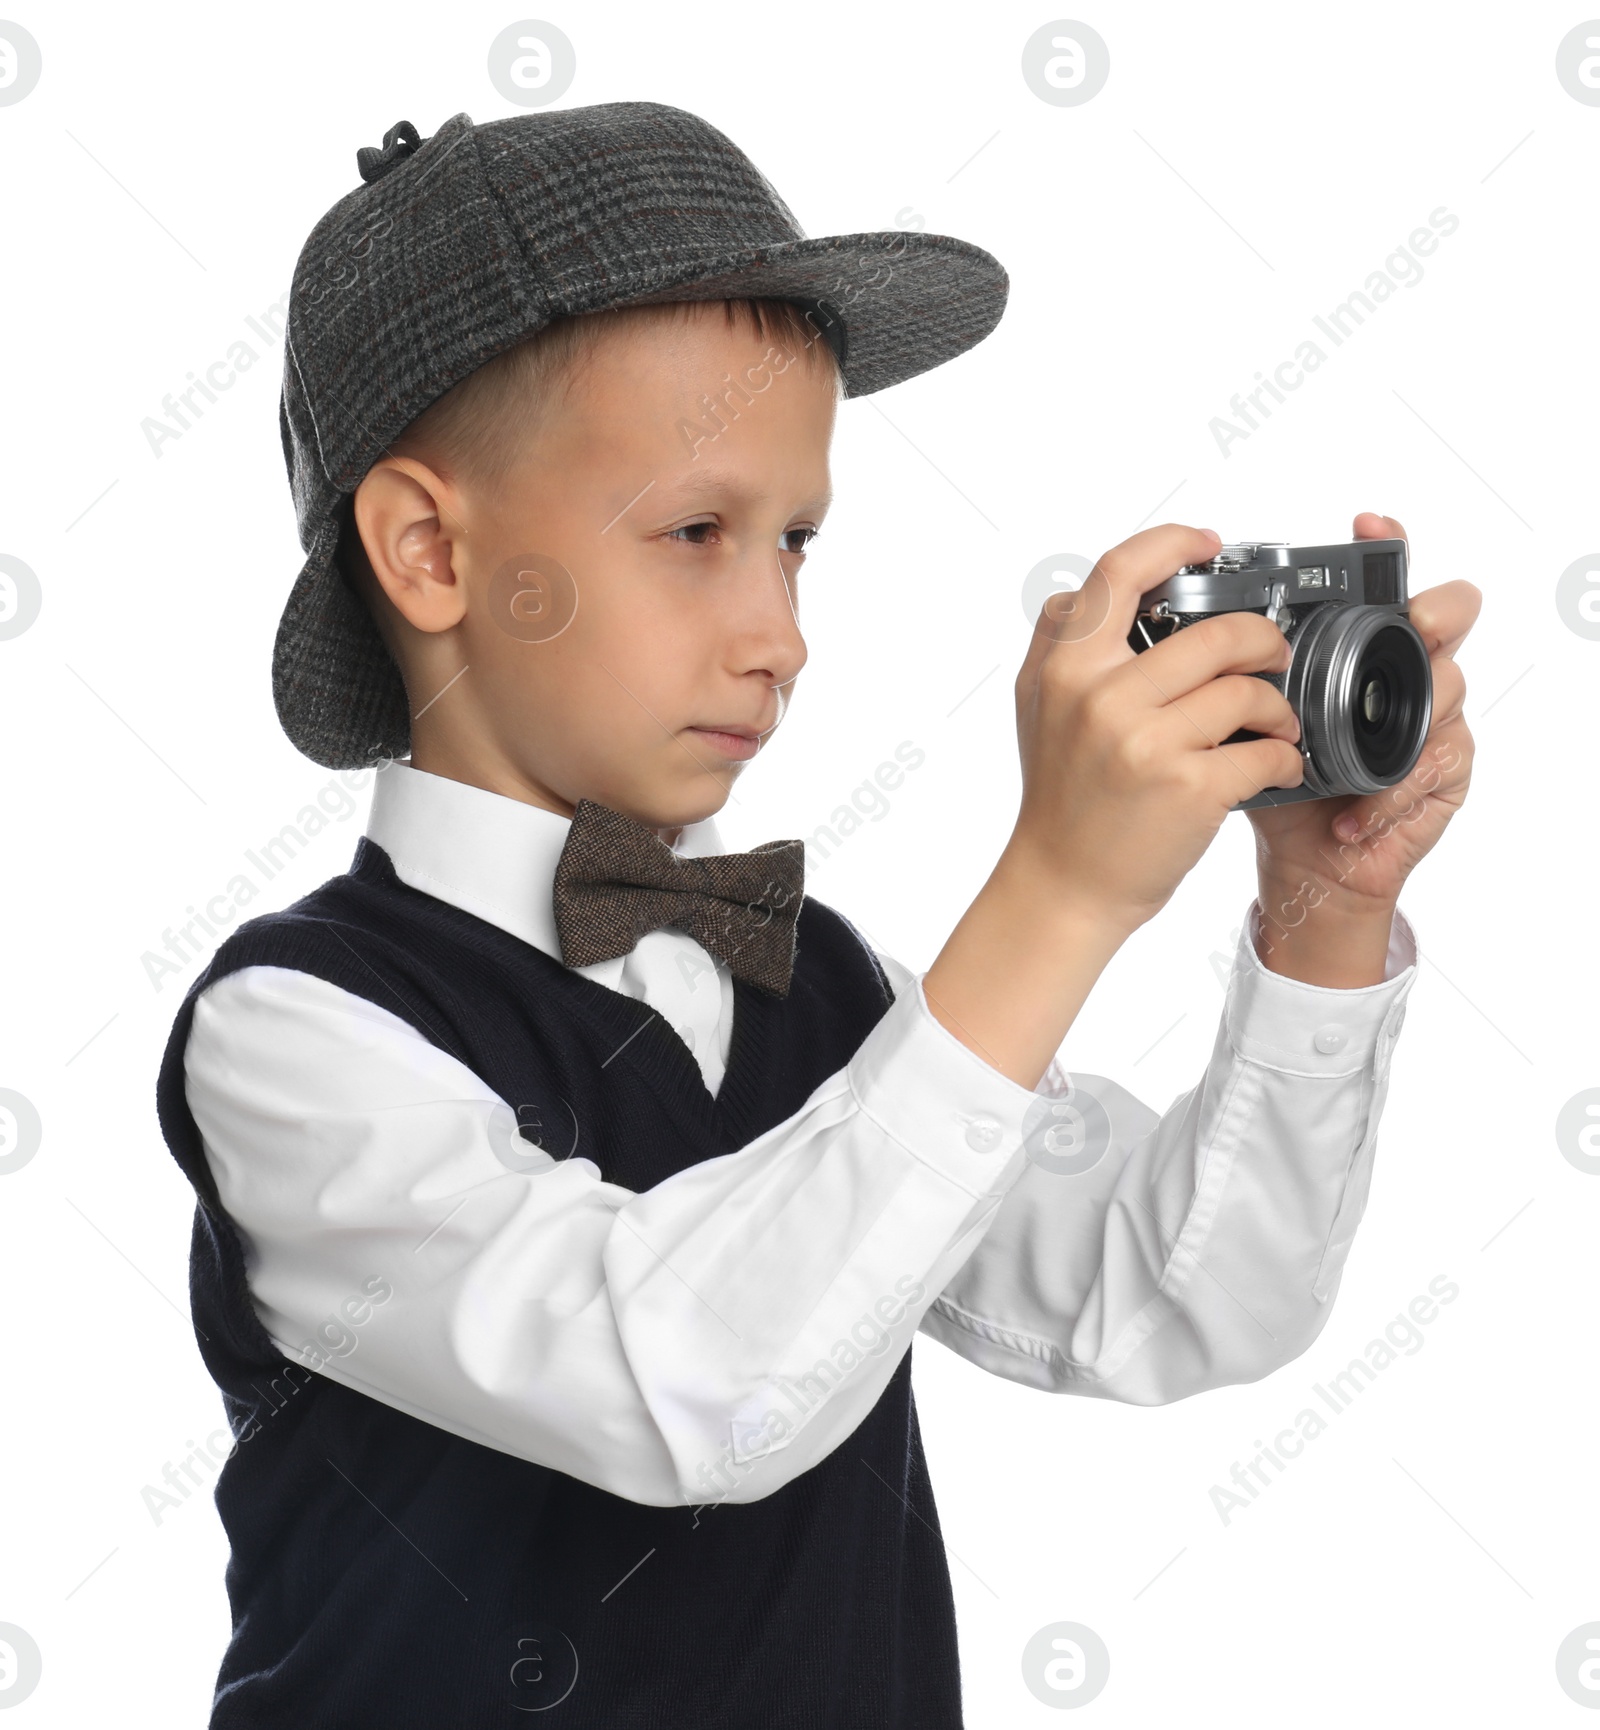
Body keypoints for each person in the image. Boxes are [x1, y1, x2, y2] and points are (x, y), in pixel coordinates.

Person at [153, 102, 1479, 1728]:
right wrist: (1057, 892)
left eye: (797, 542)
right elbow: (680, 1385)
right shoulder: (293, 1030)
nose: (780, 633)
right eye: (697, 533)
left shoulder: (825, 986)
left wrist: (1318, 920)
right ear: (432, 549)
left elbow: (1183, 1294)